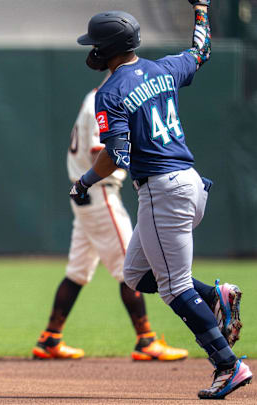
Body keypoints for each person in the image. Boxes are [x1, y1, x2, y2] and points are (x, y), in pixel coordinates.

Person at [70, 1, 252, 399]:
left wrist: (84, 182)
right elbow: (201, 51)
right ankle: (215, 296)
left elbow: (116, 155)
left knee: (173, 288)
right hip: (188, 183)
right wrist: (201, 9)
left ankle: (228, 366)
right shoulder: (163, 68)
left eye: (96, 43)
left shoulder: (111, 91)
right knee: (135, 276)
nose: (92, 49)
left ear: (108, 48)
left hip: (162, 192)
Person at [32, 84, 189, 362]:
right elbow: (98, 153)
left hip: (88, 194)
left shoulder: (94, 96)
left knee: (78, 271)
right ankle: (146, 341)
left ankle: (50, 338)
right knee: (131, 267)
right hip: (99, 191)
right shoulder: (101, 100)